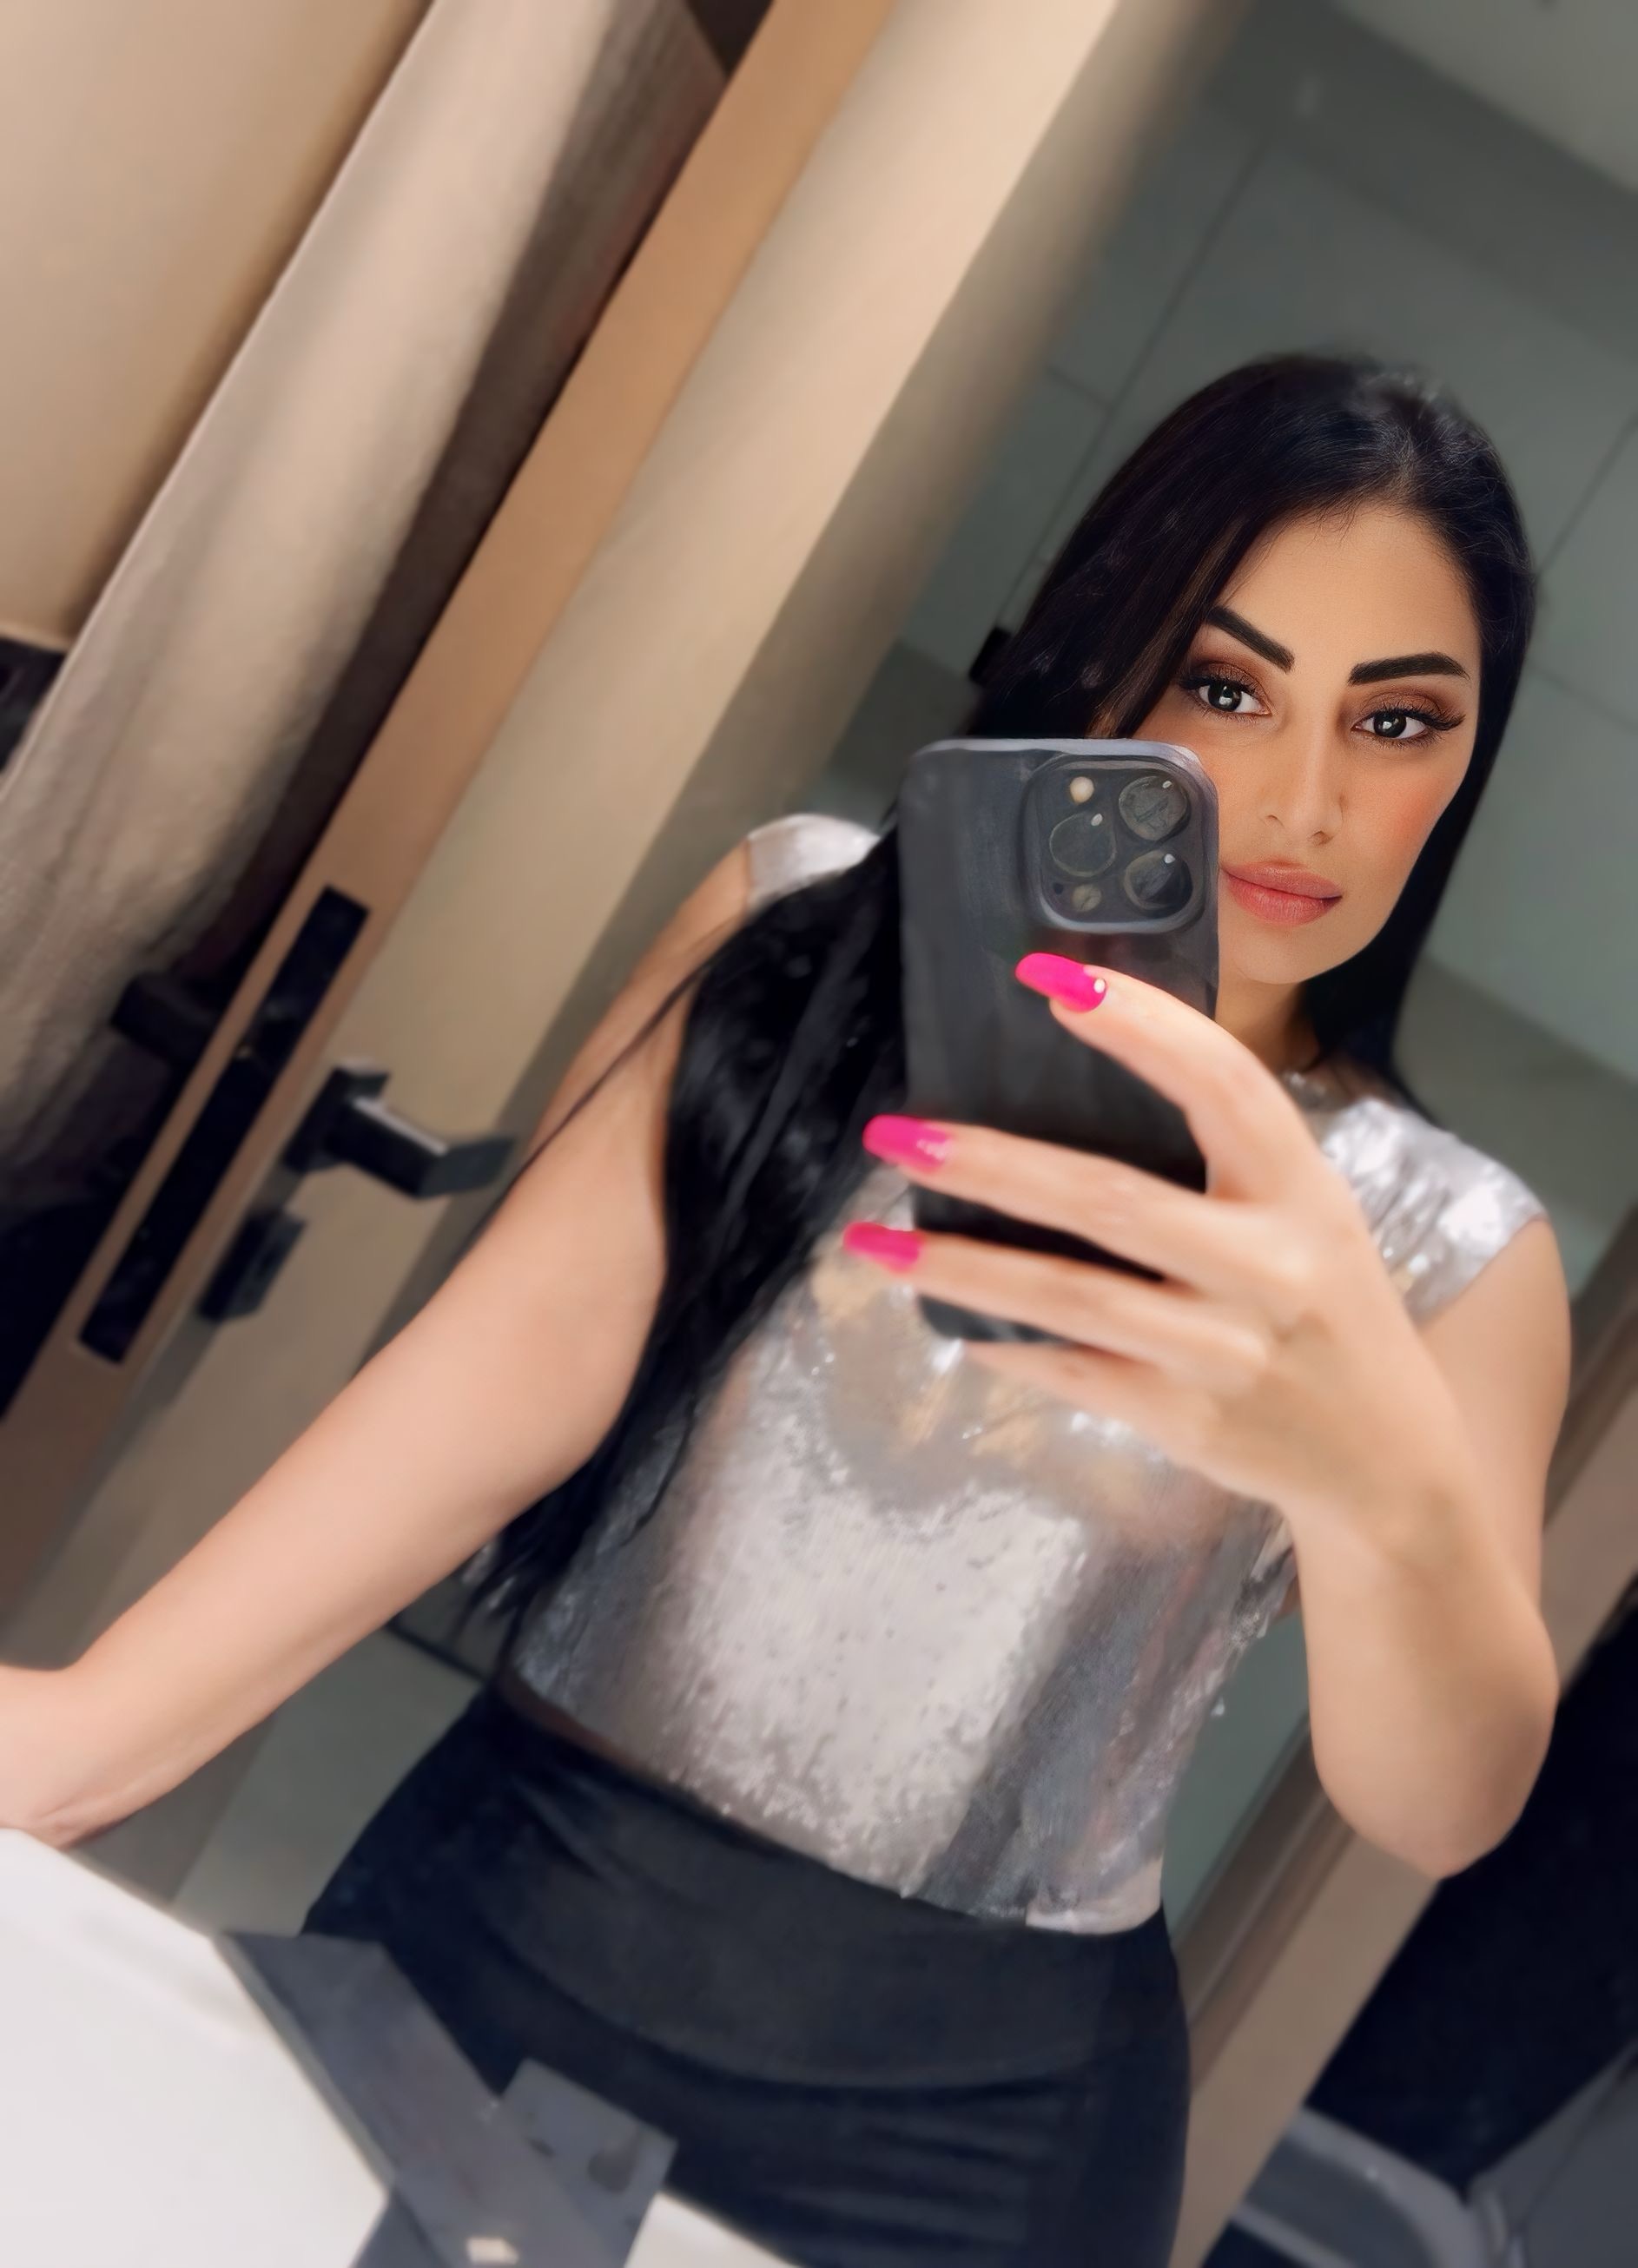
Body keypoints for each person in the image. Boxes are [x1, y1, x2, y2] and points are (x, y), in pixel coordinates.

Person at [0, 354, 1569, 2268]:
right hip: (497, 1916)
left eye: (1398, 722)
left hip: (980, 2131)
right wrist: (98, 1729)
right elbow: (521, 1360)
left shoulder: (1443, 1237)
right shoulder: (802, 931)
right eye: (1223, 686)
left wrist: (1375, 1477)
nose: (1304, 800)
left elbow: (1437, 1803)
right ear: (1097, 660)